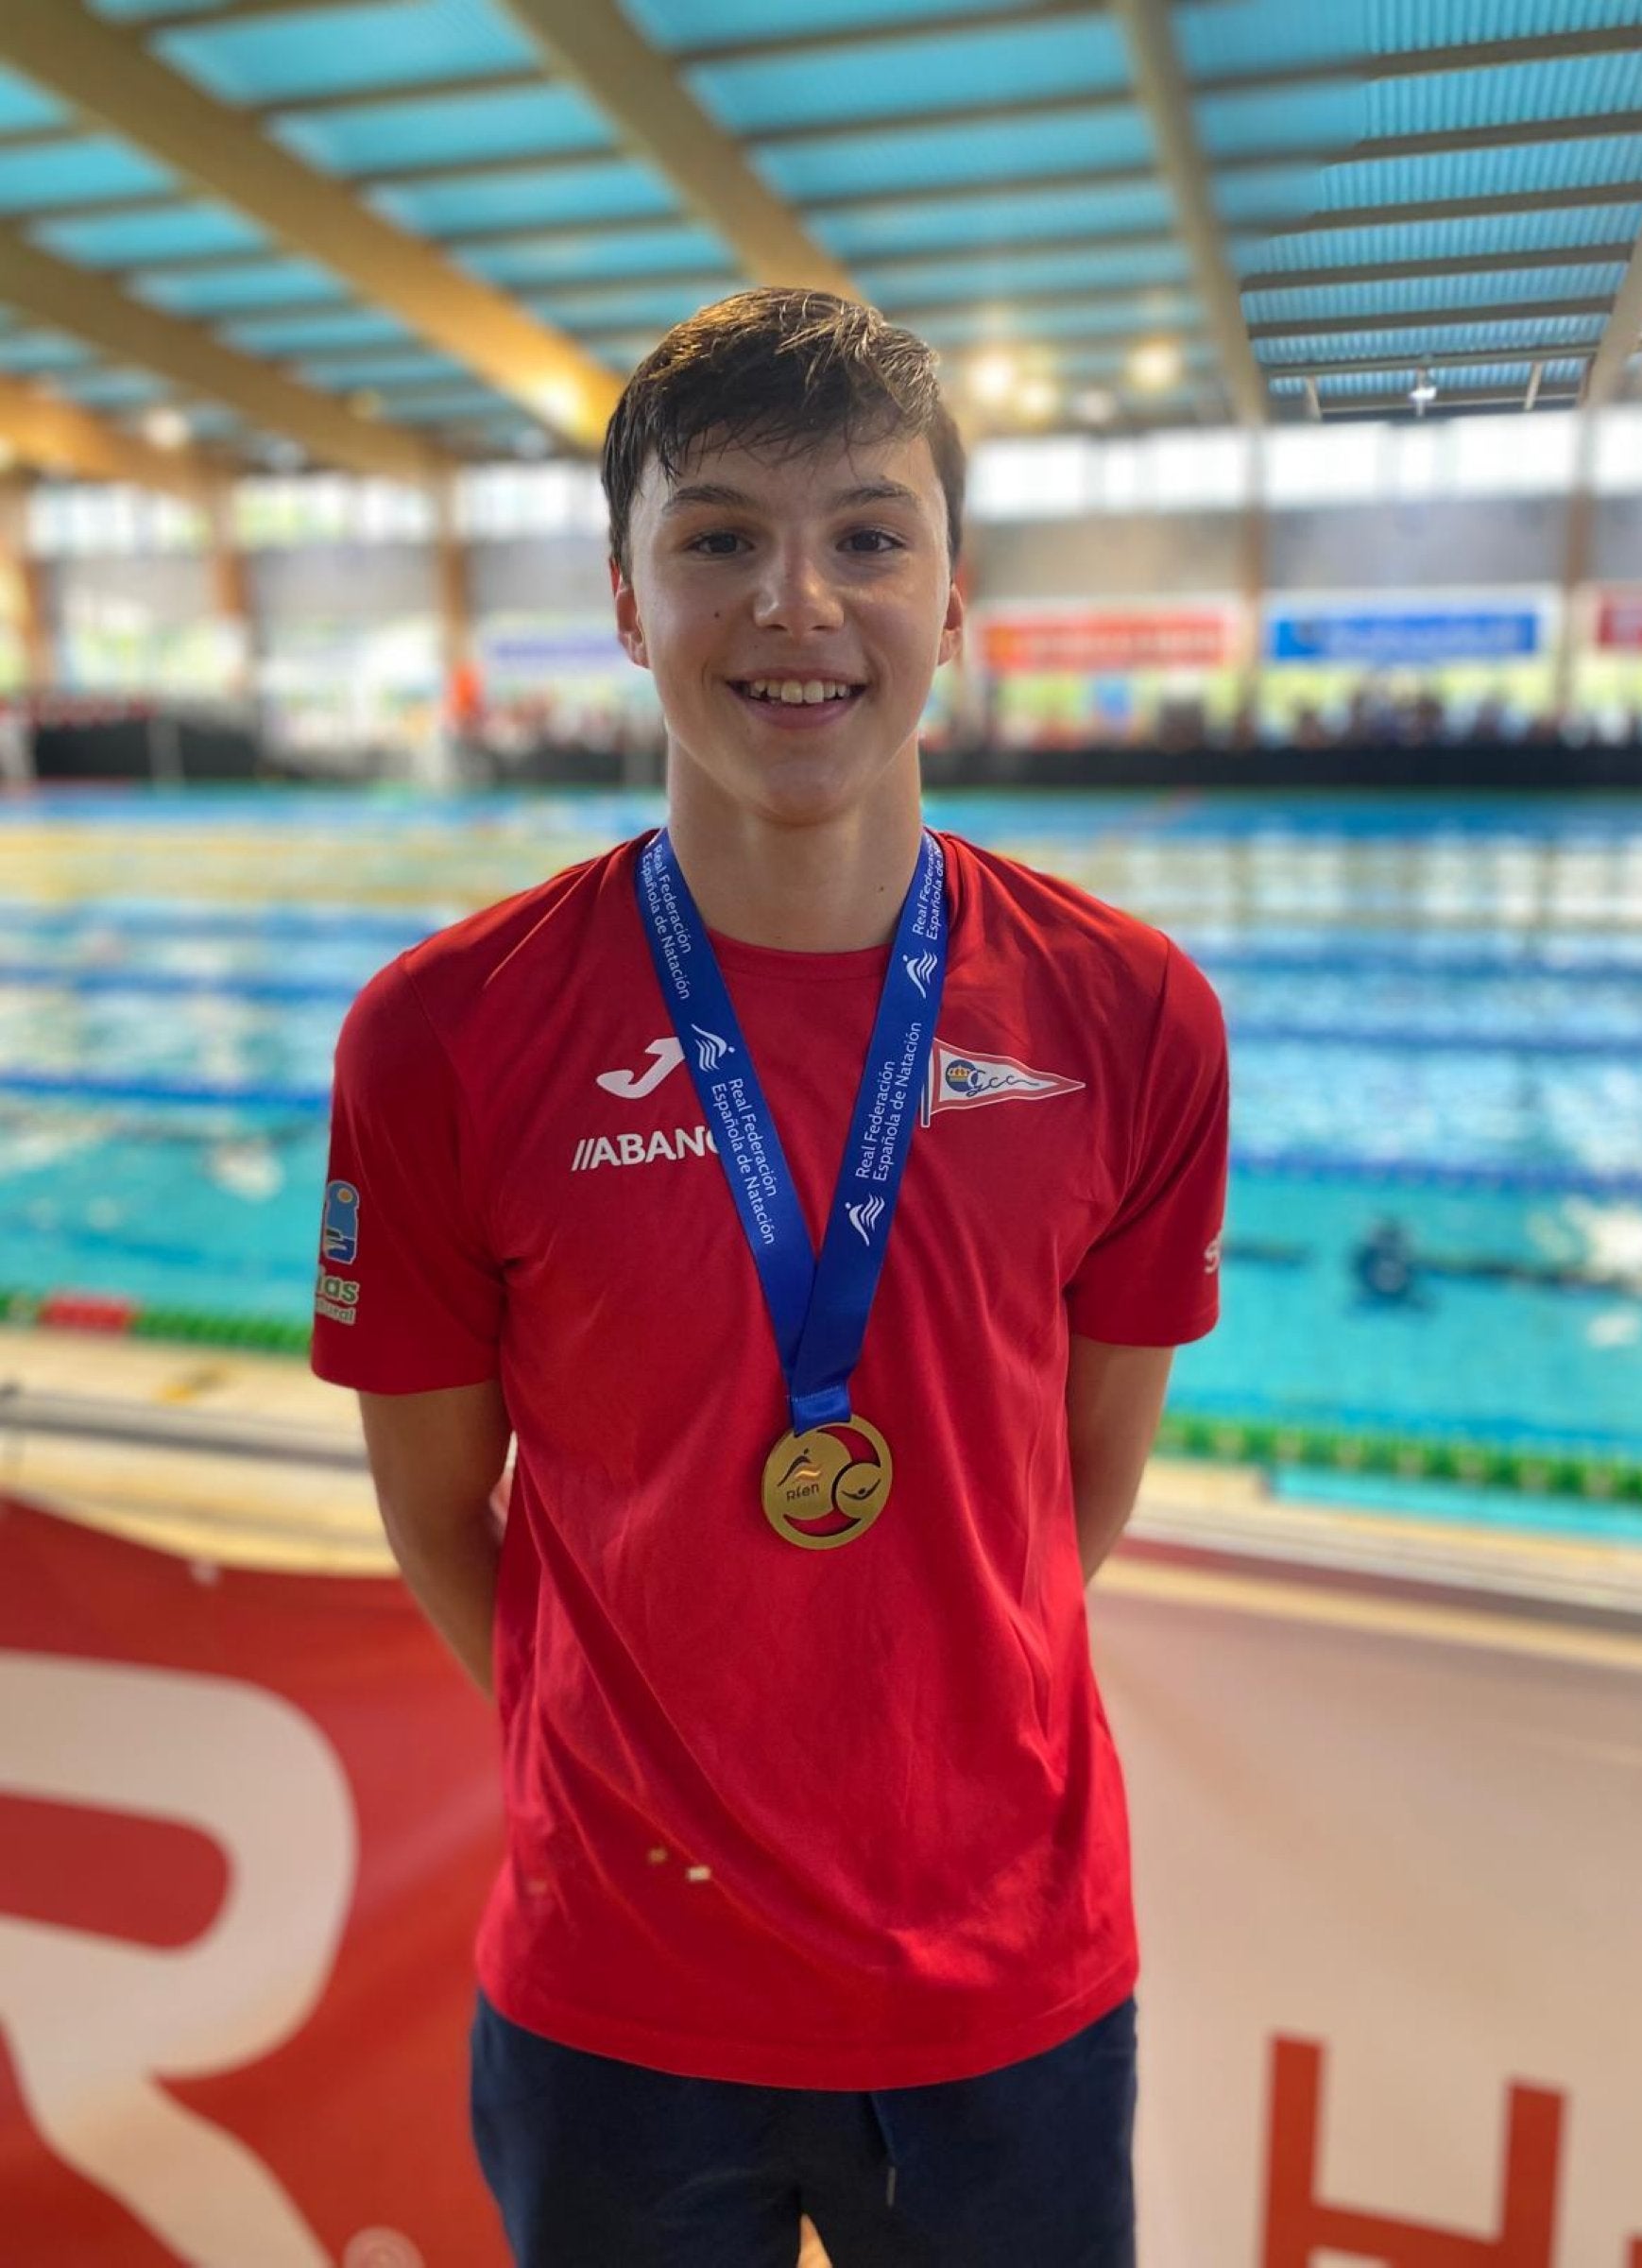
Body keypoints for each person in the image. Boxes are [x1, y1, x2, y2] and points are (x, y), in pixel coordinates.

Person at [310, 287, 1229, 2268]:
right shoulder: (443, 1037)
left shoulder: (1132, 1016)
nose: (796, 602)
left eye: (868, 537)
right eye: (720, 536)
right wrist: (639, 1769)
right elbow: (436, 1513)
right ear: (629, 603)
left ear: (951, 600)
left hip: (1005, 1986)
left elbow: (1081, 1488)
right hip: (614, 1987)